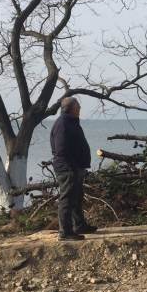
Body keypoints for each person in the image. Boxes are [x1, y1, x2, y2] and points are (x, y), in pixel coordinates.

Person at [50, 97, 98, 241]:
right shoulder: (62, 124)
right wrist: (73, 168)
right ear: (73, 109)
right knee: (67, 200)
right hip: (67, 169)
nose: (80, 109)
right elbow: (61, 151)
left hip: (74, 168)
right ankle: (65, 232)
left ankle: (79, 225)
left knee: (76, 197)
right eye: (79, 106)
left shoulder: (71, 122)